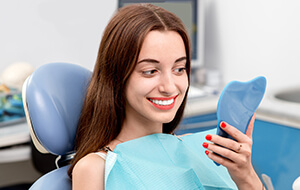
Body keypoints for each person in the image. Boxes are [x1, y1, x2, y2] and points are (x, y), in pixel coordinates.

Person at [68, 3, 264, 190]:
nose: (170, 87)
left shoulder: (202, 150)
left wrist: (246, 177)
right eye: (150, 71)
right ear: (117, 76)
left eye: (179, 69)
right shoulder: (95, 168)